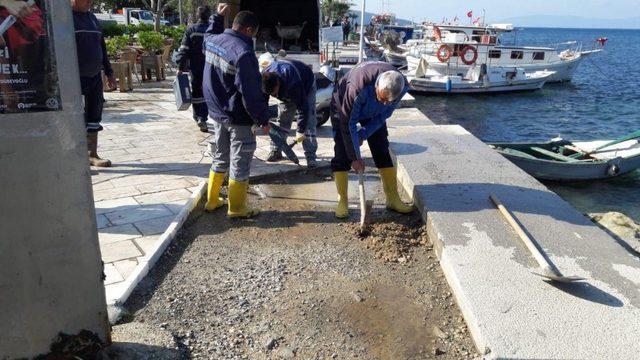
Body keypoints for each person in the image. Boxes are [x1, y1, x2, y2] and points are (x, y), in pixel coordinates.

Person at [202, 9, 270, 218]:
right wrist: (262, 120)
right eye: (254, 33)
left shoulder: (213, 40)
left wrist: (217, 17)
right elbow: (250, 93)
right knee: (240, 160)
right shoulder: (243, 53)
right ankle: (237, 208)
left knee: (220, 156)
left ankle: (212, 201)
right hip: (236, 116)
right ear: (249, 30)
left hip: (216, 112)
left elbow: (206, 35)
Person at [330, 61, 413, 218]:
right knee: (342, 152)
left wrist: (364, 134)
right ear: (377, 87)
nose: (384, 103)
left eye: (388, 102)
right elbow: (349, 124)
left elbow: (384, 115)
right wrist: (355, 157)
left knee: (381, 148)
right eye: (381, 98)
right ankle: (343, 200)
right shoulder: (358, 87)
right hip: (343, 107)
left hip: (373, 113)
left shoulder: (402, 87)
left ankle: (393, 198)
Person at [71, 0, 116, 167]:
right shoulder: (65, 19)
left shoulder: (92, 18)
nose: (90, 2)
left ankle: (92, 154)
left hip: (95, 75)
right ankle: (74, 156)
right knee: (74, 117)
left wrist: (109, 72)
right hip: (74, 77)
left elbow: (101, 46)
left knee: (94, 114)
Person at [261, 58, 318, 168]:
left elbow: (304, 109)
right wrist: (260, 120)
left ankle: (311, 157)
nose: (273, 96)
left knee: (309, 122)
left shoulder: (293, 82)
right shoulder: (264, 80)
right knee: (283, 119)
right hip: (286, 89)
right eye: (270, 94)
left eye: (273, 93)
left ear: (277, 84)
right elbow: (262, 103)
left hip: (306, 85)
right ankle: (276, 151)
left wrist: (300, 131)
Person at [176, 5, 213, 133]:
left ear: (197, 15)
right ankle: (206, 116)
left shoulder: (191, 30)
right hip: (211, 67)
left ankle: (200, 118)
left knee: (197, 92)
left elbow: (184, 50)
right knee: (209, 92)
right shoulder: (213, 30)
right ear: (209, 15)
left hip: (196, 67)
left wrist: (180, 67)